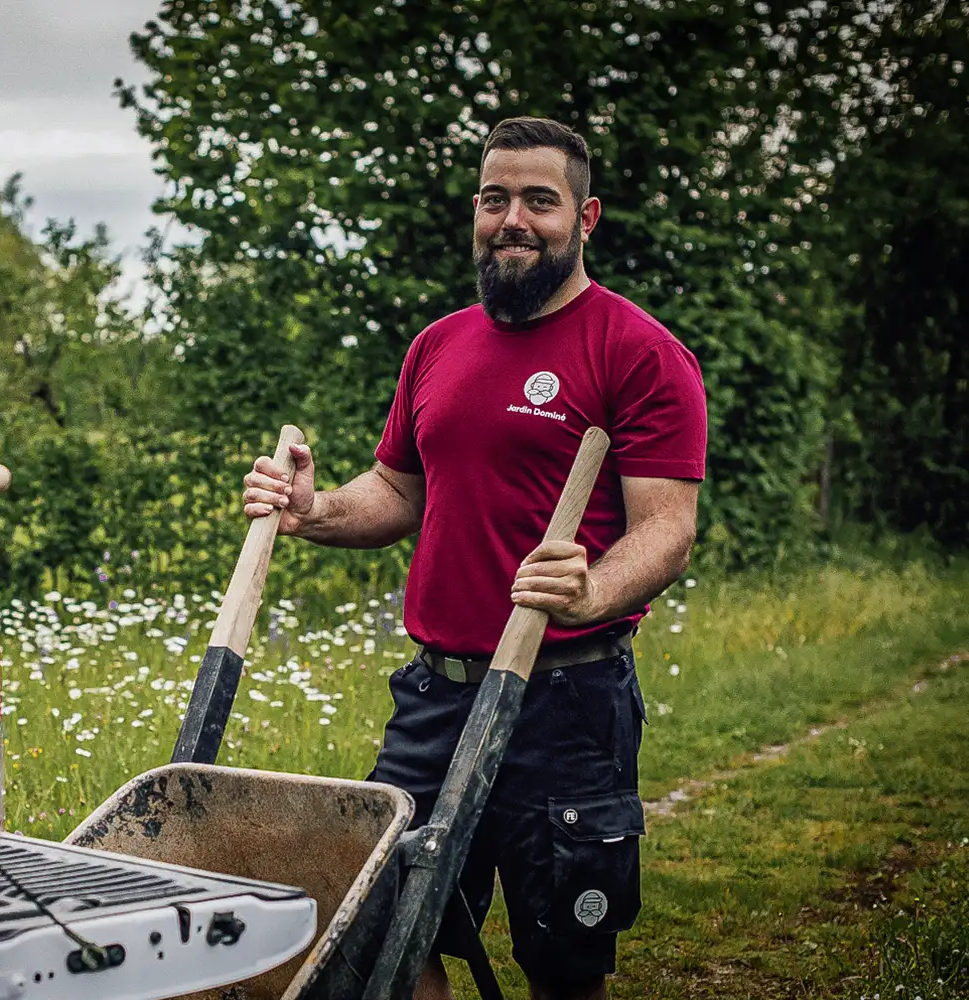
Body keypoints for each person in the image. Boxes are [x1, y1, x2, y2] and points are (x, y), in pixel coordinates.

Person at [241, 117, 708, 1000]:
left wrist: (592, 587)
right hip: (436, 694)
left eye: (541, 199)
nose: (514, 219)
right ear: (476, 211)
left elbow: (667, 529)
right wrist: (316, 508)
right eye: (496, 199)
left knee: (562, 960)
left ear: (586, 216)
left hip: (566, 699)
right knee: (382, 922)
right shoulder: (439, 345)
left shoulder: (639, 351)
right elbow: (396, 492)